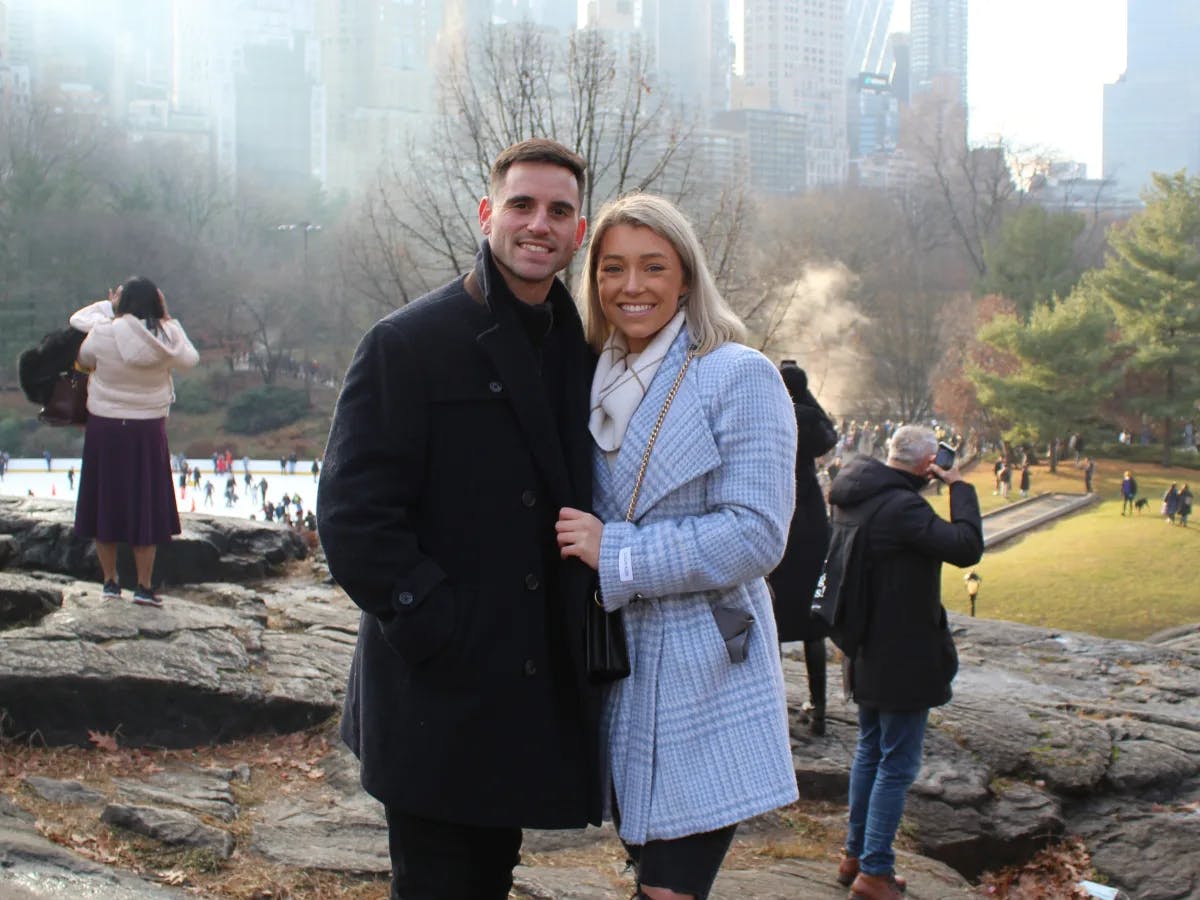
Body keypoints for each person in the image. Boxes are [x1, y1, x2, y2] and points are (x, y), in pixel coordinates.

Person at [317, 139, 600, 899]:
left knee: (489, 880)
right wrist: (434, 619)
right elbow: (351, 515)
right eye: (522, 205)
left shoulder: (580, 350)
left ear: (580, 230)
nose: (539, 224)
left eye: (560, 211)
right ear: (487, 214)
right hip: (436, 693)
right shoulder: (408, 342)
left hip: (525, 691)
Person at [555, 193, 798, 900]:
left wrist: (620, 555)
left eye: (654, 267)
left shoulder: (738, 374)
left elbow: (757, 533)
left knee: (670, 886)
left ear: (687, 278)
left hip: (703, 668)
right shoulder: (585, 374)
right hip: (614, 670)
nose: (632, 287)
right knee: (648, 870)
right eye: (613, 268)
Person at [827, 425, 983, 899]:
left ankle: (856, 856)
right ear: (925, 464)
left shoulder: (855, 493)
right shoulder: (903, 507)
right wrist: (959, 487)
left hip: (867, 647)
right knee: (897, 764)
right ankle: (873, 872)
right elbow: (965, 547)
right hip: (903, 654)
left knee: (871, 753)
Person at [69, 277, 199, 607]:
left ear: (122, 301)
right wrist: (166, 316)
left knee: (105, 502)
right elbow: (190, 359)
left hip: (105, 426)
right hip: (147, 428)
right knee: (145, 507)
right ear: (157, 301)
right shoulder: (167, 336)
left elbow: (83, 355)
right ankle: (144, 586)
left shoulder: (104, 331)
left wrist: (109, 308)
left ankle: (110, 582)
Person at [767, 360, 838, 737]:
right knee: (813, 628)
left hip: (779, 521)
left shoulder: (771, 408)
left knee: (773, 623)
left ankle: (775, 708)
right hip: (810, 527)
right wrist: (806, 392)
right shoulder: (810, 421)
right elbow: (830, 436)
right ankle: (820, 708)